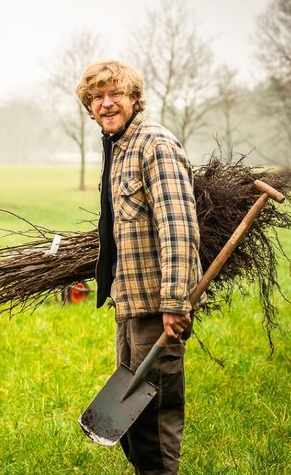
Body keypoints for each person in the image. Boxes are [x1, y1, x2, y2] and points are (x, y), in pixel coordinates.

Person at [75, 60, 201, 474]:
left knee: (155, 417)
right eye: (97, 97)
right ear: (89, 106)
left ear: (134, 98)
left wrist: (176, 302)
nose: (106, 103)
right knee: (133, 424)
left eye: (115, 94)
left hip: (156, 308)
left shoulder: (155, 146)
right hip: (128, 304)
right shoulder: (118, 147)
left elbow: (178, 228)